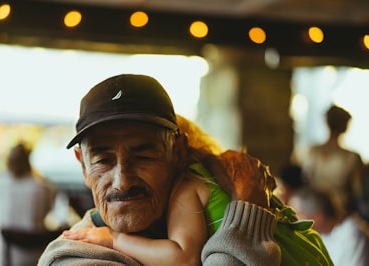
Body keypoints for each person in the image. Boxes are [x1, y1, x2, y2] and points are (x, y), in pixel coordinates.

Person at [39, 74, 332, 265]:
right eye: (103, 160)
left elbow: (183, 258)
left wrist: (116, 239)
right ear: (82, 164)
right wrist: (250, 205)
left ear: (178, 153)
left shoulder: (185, 190)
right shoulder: (75, 255)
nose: (123, 181)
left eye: (143, 155)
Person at [0, 143, 55, 266]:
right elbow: (48, 215)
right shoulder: (44, 187)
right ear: (28, 161)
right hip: (36, 259)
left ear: (7, 161)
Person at [301, 105, 363, 219]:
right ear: (345, 126)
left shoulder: (312, 152)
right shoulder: (352, 157)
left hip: (313, 213)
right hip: (341, 214)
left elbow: (305, 182)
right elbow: (357, 192)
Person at [289, 186, 369, 266]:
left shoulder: (351, 235)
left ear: (318, 218)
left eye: (297, 215)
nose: (292, 221)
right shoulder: (321, 235)